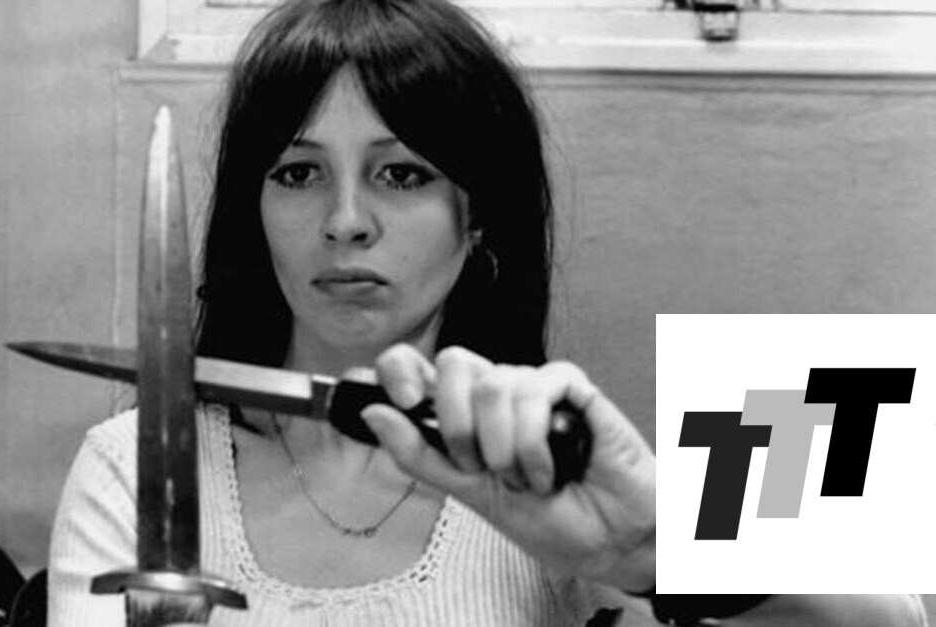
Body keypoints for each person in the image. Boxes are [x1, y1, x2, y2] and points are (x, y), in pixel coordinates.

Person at [47, 0, 928, 625]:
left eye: (402, 173)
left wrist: (659, 550)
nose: (344, 220)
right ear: (255, 210)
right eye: (297, 172)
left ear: (478, 221)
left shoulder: (554, 474)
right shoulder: (132, 467)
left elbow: (890, 618)